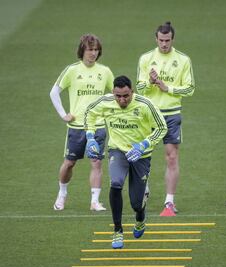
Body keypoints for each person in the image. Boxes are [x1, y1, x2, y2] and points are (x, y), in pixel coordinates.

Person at [84, 75, 167, 249]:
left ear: (132, 92)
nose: (122, 100)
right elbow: (89, 114)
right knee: (115, 183)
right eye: (118, 96)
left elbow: (162, 127)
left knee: (136, 204)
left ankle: (140, 217)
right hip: (118, 151)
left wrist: (144, 144)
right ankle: (118, 230)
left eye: (126, 96)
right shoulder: (105, 102)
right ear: (113, 93)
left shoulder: (145, 105)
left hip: (141, 155)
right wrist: (90, 137)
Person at [136, 21, 195, 216]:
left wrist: (166, 87)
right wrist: (150, 82)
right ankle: (144, 189)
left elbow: (189, 89)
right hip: (150, 114)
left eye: (167, 40)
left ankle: (169, 202)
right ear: (156, 39)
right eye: (161, 40)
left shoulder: (183, 60)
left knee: (171, 157)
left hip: (171, 114)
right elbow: (139, 88)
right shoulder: (146, 58)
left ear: (173, 39)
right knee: (143, 155)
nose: (164, 44)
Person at [50, 34, 114, 211]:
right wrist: (63, 114)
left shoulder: (105, 71)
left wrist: (110, 105)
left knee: (97, 163)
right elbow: (54, 92)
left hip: (98, 126)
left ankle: (95, 201)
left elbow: (117, 94)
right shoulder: (72, 70)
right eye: (90, 50)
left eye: (96, 50)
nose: (93, 53)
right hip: (76, 127)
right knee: (69, 163)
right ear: (82, 50)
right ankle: (62, 194)